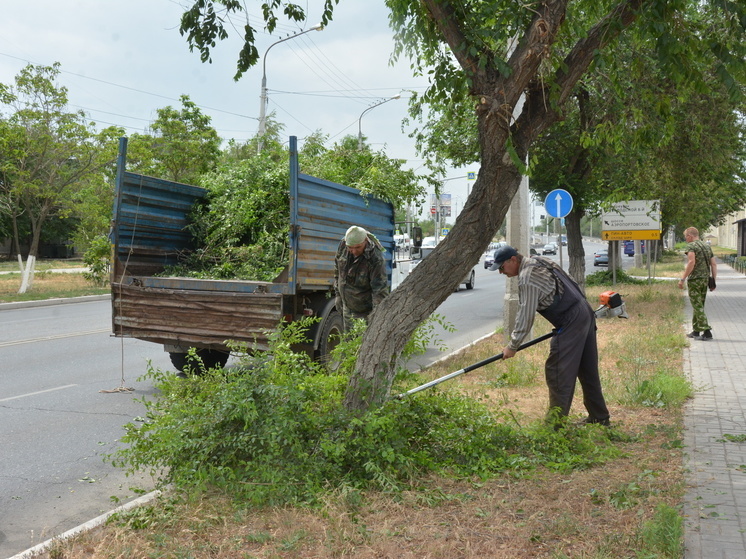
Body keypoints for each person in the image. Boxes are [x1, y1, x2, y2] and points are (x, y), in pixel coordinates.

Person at [490, 245, 611, 426]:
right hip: (583, 311)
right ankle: (599, 417)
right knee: (587, 370)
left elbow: (525, 315)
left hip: (572, 319)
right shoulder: (540, 260)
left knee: (557, 371)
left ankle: (555, 426)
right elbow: (571, 282)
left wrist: (512, 345)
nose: (501, 272)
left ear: (513, 260)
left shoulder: (527, 278)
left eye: (501, 267)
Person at [334, 225, 389, 331]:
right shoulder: (343, 245)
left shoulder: (375, 259)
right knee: (348, 344)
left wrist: (376, 317)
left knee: (362, 345)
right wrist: (337, 295)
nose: (354, 251)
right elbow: (337, 270)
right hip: (347, 308)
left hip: (365, 313)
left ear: (365, 241)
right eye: (350, 247)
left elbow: (379, 291)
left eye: (358, 247)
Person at [679, 227, 717, 340]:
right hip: (705, 279)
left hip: (695, 280)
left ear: (690, 236)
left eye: (686, 236)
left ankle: (706, 331)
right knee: (699, 305)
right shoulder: (706, 246)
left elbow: (691, 262)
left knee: (697, 306)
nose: (686, 239)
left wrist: (682, 278)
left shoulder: (691, 246)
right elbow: (714, 264)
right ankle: (696, 331)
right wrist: (713, 281)